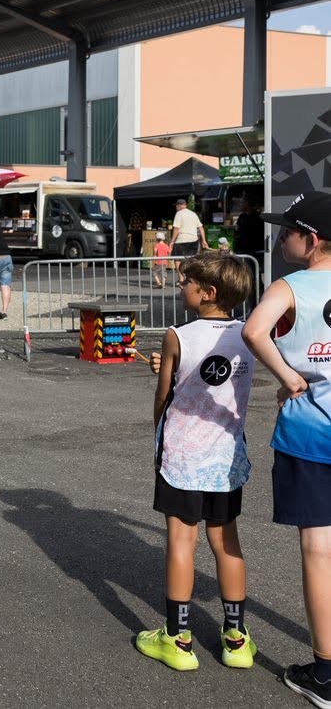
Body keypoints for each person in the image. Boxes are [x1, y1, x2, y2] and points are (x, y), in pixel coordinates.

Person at [136, 252, 256, 672]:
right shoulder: (249, 333)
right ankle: (236, 640)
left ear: (207, 292)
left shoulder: (177, 335)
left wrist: (158, 436)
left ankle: (178, 639)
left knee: (182, 542)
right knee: (227, 542)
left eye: (187, 281)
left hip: (183, 456)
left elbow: (165, 394)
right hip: (226, 456)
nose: (181, 285)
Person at [241, 192, 331, 705]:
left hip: (311, 433)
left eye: (288, 231)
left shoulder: (291, 286)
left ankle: (326, 674)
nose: (279, 239)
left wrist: (290, 377)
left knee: (320, 548)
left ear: (311, 240)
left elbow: (255, 331)